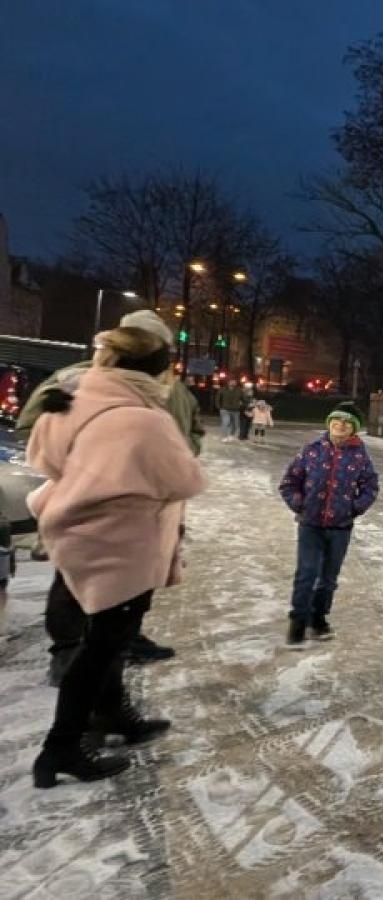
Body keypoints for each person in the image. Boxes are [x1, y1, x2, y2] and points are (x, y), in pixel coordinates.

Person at [26, 326, 207, 787]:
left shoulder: (71, 398)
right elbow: (186, 480)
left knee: (104, 635)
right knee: (103, 645)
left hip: (76, 535)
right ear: (157, 369)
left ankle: (114, 714)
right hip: (121, 544)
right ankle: (61, 747)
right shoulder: (144, 419)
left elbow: (43, 459)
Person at [16, 309, 200, 683]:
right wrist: (88, 470)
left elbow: (190, 429)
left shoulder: (171, 387)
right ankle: (68, 651)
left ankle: (123, 646)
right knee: (74, 586)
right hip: (95, 507)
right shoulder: (78, 380)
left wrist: (181, 451)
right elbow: (33, 430)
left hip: (150, 506)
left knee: (130, 595)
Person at [277, 402, 379, 648]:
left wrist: (355, 507)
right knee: (306, 574)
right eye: (336, 420)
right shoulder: (312, 450)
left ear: (353, 428)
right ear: (329, 422)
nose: (340, 425)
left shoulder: (360, 455)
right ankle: (298, 622)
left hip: (340, 527)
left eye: (346, 422)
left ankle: (318, 618)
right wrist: (299, 503)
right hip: (310, 524)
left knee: (328, 578)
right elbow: (289, 482)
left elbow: (370, 486)